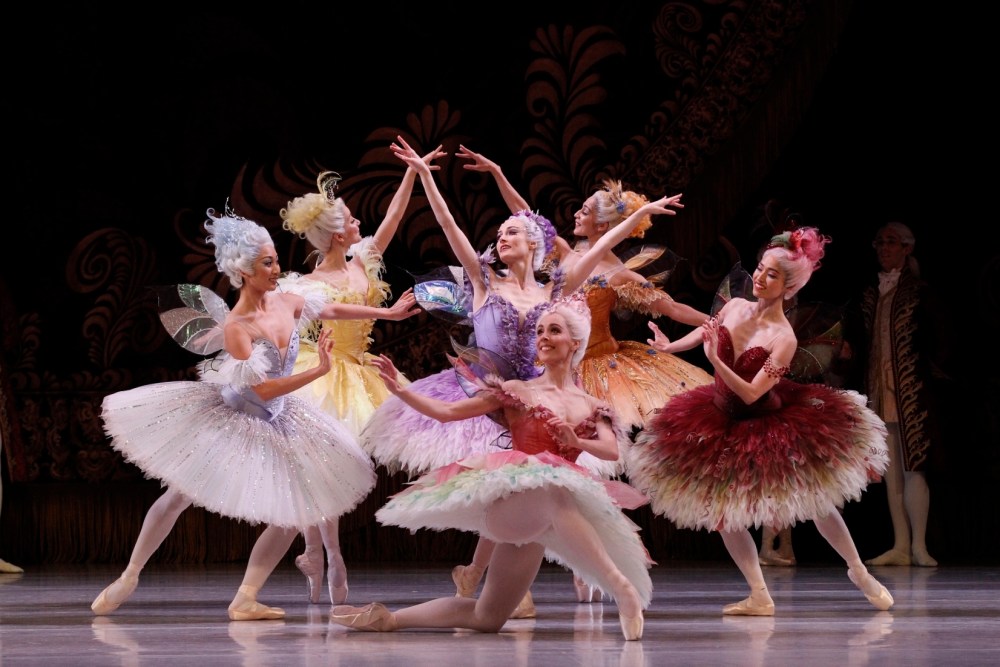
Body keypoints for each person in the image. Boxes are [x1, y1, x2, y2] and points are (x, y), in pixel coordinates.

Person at [361, 137, 682, 617]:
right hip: (489, 393)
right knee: (506, 487)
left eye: (511, 231)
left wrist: (642, 213)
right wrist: (425, 177)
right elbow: (448, 225)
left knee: (540, 483)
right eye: (499, 234)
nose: (500, 239)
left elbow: (603, 247)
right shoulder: (482, 280)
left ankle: (530, 574)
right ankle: (496, 576)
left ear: (534, 244)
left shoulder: (556, 287)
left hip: (535, 402)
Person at [90, 209, 419, 620]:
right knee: (179, 496)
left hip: (277, 418)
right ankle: (130, 575)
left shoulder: (286, 301)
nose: (277, 269)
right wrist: (318, 370)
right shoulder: (237, 326)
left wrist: (387, 314)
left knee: (296, 511)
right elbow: (259, 389)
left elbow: (331, 310)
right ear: (244, 272)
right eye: (267, 263)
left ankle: (246, 596)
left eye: (276, 259)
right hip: (235, 416)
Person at [456, 147, 713, 600]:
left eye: (586, 210)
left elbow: (669, 306)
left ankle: (581, 565)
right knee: (525, 470)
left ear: (603, 224)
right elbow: (526, 217)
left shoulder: (617, 272)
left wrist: (713, 321)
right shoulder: (560, 253)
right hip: (550, 369)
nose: (576, 212)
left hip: (595, 369)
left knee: (581, 467)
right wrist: (497, 171)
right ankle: (491, 572)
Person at [331, 301, 652, 640]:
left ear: (575, 343)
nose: (543, 337)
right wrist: (400, 391)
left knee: (487, 617)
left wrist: (576, 440)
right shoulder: (517, 391)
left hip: (544, 517)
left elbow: (610, 449)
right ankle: (621, 588)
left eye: (554, 330)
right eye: (540, 331)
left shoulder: (592, 405)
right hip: (514, 502)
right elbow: (447, 412)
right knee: (556, 490)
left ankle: (389, 619)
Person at [630, 226, 895, 616]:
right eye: (760, 269)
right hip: (720, 417)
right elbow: (708, 329)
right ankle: (758, 593)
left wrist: (716, 361)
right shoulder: (735, 306)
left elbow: (752, 393)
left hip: (768, 420)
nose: (759, 277)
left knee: (817, 502)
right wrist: (671, 346)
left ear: (788, 287)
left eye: (771, 275)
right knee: (722, 512)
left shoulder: (783, 338)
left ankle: (857, 570)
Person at [277, 145, 445, 605]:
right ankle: (330, 553)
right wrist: (385, 313)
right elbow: (329, 313)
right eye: (351, 221)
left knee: (333, 466)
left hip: (361, 371)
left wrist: (413, 174)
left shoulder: (362, 260)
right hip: (324, 373)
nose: (359, 225)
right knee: (322, 464)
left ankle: (315, 549)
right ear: (336, 235)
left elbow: (393, 218)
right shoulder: (308, 285)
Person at [845, 222, 953, 567]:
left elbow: (943, 339)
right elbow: (859, 339)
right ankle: (901, 544)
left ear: (907, 248)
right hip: (878, 389)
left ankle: (919, 544)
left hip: (911, 392)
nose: (883, 248)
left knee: (914, 467)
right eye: (879, 243)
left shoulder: (919, 293)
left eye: (891, 242)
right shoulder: (869, 293)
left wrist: (931, 371)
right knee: (889, 468)